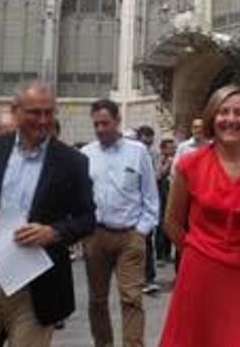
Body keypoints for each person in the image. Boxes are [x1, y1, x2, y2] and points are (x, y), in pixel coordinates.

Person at [0, 80, 95, 346]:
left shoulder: (72, 162)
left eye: (49, 112)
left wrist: (54, 232)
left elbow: (88, 219)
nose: (43, 120)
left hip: (37, 288)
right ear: (16, 111)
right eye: (35, 112)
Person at [160, 85, 240, 347]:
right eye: (223, 112)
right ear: (212, 117)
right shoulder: (190, 165)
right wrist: (199, 250)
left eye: (239, 113)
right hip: (200, 274)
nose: (231, 120)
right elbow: (172, 223)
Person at [81, 99, 159, 347]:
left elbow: (150, 197)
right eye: (96, 124)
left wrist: (140, 232)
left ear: (117, 121)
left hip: (129, 236)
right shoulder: (86, 155)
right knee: (97, 300)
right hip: (96, 236)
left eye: (105, 123)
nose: (101, 129)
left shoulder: (138, 152)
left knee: (131, 298)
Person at [135, 125, 161, 294]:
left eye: (150, 142)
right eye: (145, 141)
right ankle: (139, 278)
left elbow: (155, 179)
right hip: (134, 208)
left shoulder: (153, 154)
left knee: (147, 244)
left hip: (148, 206)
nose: (148, 145)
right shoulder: (133, 154)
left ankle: (148, 278)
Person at [154, 138, 176, 264]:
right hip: (161, 193)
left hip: (170, 193)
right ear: (163, 149)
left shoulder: (175, 159)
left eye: (173, 147)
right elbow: (158, 175)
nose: (173, 150)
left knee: (169, 223)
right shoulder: (160, 159)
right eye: (170, 147)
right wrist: (168, 164)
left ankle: (167, 253)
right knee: (161, 224)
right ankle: (160, 254)